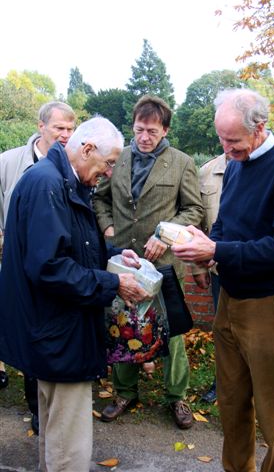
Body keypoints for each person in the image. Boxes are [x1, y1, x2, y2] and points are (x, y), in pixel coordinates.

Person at [172, 88, 274, 472]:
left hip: (269, 302)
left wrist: (216, 252)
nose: (225, 148)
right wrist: (203, 243)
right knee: (232, 400)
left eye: (232, 140)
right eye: (221, 138)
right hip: (230, 297)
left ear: (259, 128)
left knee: (272, 406)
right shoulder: (236, 163)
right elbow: (226, 224)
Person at [0, 116, 151, 472]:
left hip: (56, 332)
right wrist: (114, 284)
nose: (110, 172)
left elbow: (74, 249)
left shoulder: (61, 182)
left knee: (56, 436)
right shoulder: (47, 185)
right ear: (86, 149)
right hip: (57, 335)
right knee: (69, 447)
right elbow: (50, 267)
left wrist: (115, 258)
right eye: (109, 162)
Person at [93, 95, 204, 429]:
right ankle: (125, 392)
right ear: (133, 127)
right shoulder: (119, 159)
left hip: (164, 265)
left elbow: (194, 210)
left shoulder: (182, 162)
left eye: (152, 131)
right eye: (140, 129)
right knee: (122, 326)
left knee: (170, 333)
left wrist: (166, 234)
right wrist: (107, 226)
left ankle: (177, 397)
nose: (144, 137)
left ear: (165, 129)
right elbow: (100, 198)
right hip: (122, 262)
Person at [0, 101, 76, 432]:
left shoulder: (71, 163)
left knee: (42, 331)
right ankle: (34, 403)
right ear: (41, 126)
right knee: (22, 329)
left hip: (49, 261)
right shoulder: (7, 162)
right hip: (13, 260)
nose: (65, 134)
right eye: (59, 127)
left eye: (70, 129)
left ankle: (41, 407)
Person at [193, 151, 229, 403]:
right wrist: (198, 266)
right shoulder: (206, 172)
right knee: (223, 330)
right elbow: (197, 223)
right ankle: (223, 383)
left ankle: (254, 389)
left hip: (255, 269)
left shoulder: (269, 167)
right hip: (219, 269)